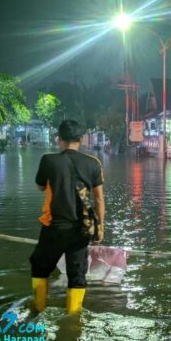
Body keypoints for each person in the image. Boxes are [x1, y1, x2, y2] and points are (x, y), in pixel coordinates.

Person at [30, 119, 105, 314]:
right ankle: (73, 320)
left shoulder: (48, 160)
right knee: (77, 274)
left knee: (39, 266)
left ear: (59, 139)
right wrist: (101, 228)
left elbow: (40, 186)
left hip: (54, 226)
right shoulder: (93, 163)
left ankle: (38, 308)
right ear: (81, 139)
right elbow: (99, 200)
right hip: (82, 228)